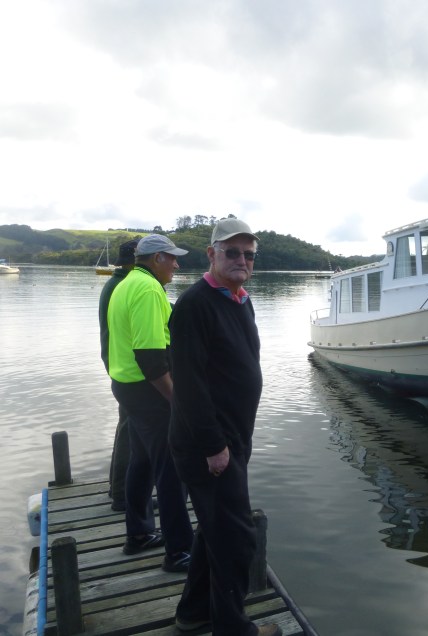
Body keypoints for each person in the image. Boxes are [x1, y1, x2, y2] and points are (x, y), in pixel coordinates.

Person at [169, 218, 279, 636]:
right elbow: (189, 386)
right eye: (231, 252)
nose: (241, 260)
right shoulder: (194, 305)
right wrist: (214, 446)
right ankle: (233, 628)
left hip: (233, 437)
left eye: (248, 255)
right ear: (211, 254)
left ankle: (193, 612)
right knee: (235, 537)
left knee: (215, 529)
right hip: (208, 445)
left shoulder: (239, 299)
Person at [107, 234, 194, 572]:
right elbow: (151, 358)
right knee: (171, 471)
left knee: (141, 462)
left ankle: (139, 534)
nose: (177, 265)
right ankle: (179, 551)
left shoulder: (125, 284)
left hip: (126, 386)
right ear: (156, 258)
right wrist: (177, 401)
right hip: (149, 391)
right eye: (172, 258)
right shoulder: (147, 289)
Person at [98, 238, 138, 512]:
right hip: (127, 368)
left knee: (126, 426)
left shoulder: (115, 283)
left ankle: (117, 486)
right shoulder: (123, 286)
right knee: (129, 430)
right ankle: (122, 495)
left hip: (117, 364)